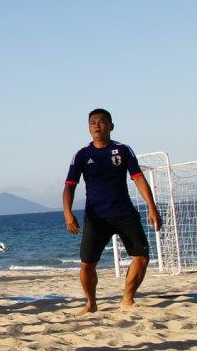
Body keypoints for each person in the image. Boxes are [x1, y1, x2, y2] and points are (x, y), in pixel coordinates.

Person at [63, 109, 162, 313]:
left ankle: (127, 299)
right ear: (89, 128)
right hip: (96, 217)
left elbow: (138, 178)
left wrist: (152, 207)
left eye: (101, 122)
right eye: (92, 123)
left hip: (124, 213)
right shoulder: (82, 155)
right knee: (86, 265)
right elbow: (69, 186)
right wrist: (68, 212)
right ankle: (91, 303)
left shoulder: (123, 150)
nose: (97, 126)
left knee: (142, 257)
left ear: (111, 126)